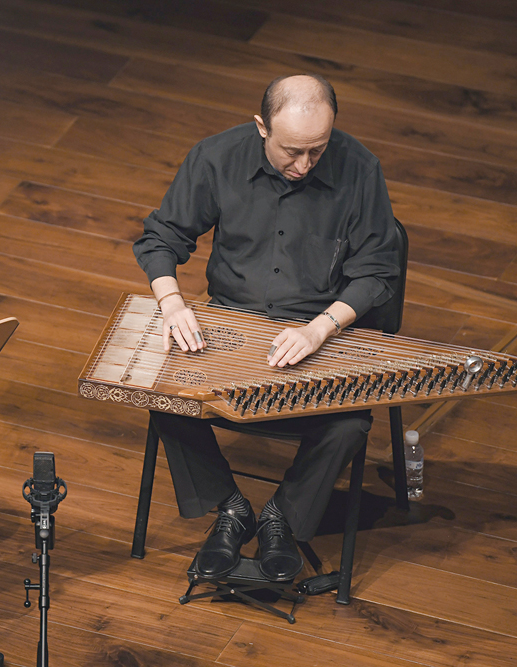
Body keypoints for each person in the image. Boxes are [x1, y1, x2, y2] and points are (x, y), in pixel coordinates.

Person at [133, 74, 399, 583]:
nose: (304, 165)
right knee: (160, 392)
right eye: (292, 151)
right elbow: (160, 237)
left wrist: (322, 328)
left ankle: (282, 517)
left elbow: (378, 270)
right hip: (232, 322)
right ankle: (230, 509)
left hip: (319, 328)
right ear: (262, 127)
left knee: (349, 423)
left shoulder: (361, 168)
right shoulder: (216, 158)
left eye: (317, 151)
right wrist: (172, 303)